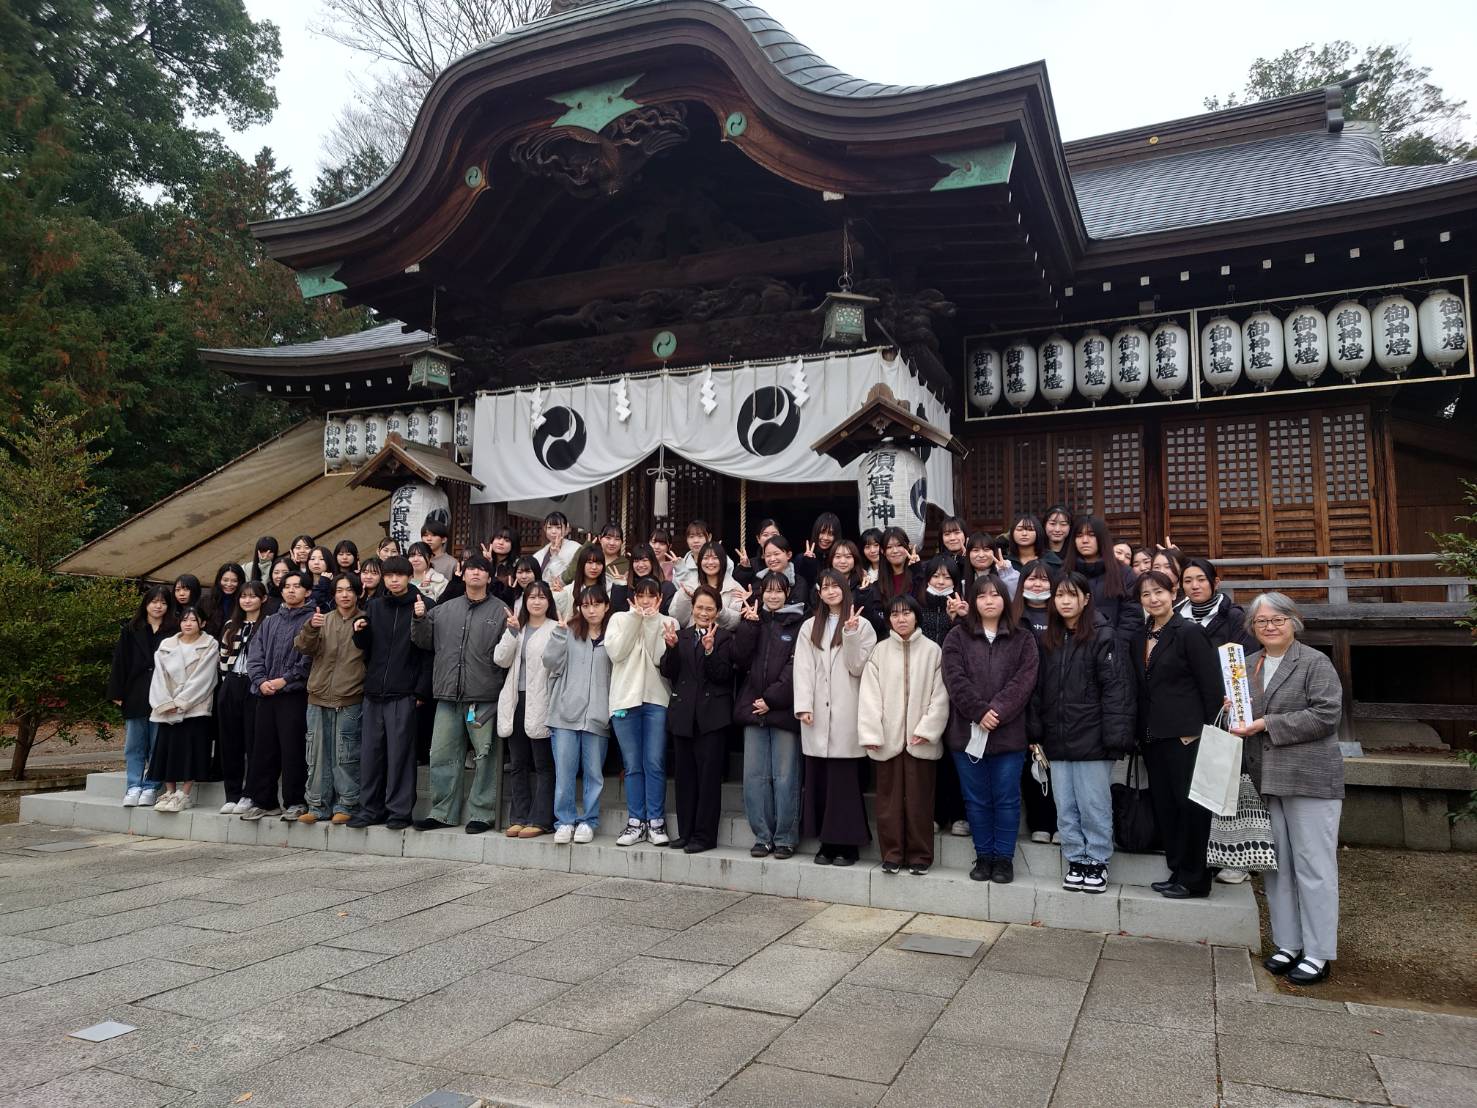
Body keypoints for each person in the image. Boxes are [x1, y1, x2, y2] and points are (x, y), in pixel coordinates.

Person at [1232, 593, 1345, 986]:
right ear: (1252, 627)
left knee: (1314, 866)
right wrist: (1234, 711)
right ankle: (1287, 943)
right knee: (1276, 865)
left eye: (1277, 619)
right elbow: (1244, 717)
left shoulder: (1314, 661)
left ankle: (1318, 952)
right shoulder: (1247, 664)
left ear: (1293, 621)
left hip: (1309, 777)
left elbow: (1327, 715)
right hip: (1265, 777)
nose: (1270, 626)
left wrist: (1266, 724)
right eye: (1261, 621)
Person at [1029, 573, 1135, 893]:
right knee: (1065, 805)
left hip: (1093, 737)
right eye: (1060, 595)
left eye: (1072, 595)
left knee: (1094, 805)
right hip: (1057, 736)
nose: (1065, 601)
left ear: (1086, 599)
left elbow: (1117, 689)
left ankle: (1098, 860)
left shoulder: (1104, 635)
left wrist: (1115, 738)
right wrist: (1035, 732)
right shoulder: (1049, 638)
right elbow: (1038, 690)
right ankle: (1075, 858)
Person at [1131, 570, 1224, 899]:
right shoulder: (1139, 635)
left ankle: (1195, 878)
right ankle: (1177, 870)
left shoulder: (1189, 632)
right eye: (1146, 594)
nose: (1153, 599)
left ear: (1173, 593)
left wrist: (1201, 731)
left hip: (1186, 735)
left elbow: (1211, 687)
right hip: (1153, 735)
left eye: (1159, 592)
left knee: (1190, 808)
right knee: (1166, 806)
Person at [941, 574, 1039, 884]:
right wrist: (979, 711)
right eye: (982, 596)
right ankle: (984, 856)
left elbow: (1024, 681)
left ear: (1005, 600)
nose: (989, 601)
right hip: (966, 733)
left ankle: (1004, 859)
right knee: (976, 799)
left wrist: (996, 711)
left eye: (995, 595)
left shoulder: (1023, 638)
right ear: (973, 602)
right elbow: (954, 678)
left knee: (1007, 798)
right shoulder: (957, 637)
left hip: (1009, 734)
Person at [409, 554, 511, 835]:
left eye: (482, 569)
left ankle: (483, 813)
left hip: (484, 696)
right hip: (447, 694)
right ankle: (442, 812)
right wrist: (419, 619)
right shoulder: (445, 609)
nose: (476, 573)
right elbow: (423, 641)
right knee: (442, 754)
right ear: (462, 575)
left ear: (489, 576)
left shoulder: (501, 611)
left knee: (485, 756)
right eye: (471, 569)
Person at [859, 595, 951, 875]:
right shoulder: (879, 651)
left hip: (920, 740)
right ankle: (892, 855)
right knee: (888, 803)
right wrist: (872, 732)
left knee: (920, 801)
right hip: (887, 739)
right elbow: (869, 696)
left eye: (907, 613)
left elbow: (941, 695)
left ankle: (920, 856)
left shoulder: (933, 651)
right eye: (895, 614)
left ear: (916, 616)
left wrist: (927, 729)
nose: (901, 619)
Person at [793, 569, 878, 866]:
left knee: (844, 784)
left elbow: (858, 667)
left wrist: (850, 634)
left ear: (845, 588)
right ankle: (826, 843)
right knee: (819, 781)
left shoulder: (863, 625)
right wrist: (804, 705)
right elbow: (803, 668)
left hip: (847, 712)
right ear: (819, 592)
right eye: (825, 587)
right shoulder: (809, 627)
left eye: (835, 586)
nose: (830, 592)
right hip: (816, 713)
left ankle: (848, 845)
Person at [349, 555, 429, 831]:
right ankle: (370, 809)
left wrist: (421, 691)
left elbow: (428, 652)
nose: (394, 580)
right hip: (373, 691)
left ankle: (399, 811)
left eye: (399, 575)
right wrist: (359, 631)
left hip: (404, 692)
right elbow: (366, 647)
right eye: (389, 575)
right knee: (370, 755)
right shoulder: (374, 606)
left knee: (400, 756)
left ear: (410, 576)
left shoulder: (423, 605)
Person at [733, 572, 804, 858]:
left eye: (779, 591)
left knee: (786, 777)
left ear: (787, 593)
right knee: (754, 777)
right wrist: (749, 626)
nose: (773, 596)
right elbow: (739, 659)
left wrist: (772, 700)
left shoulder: (798, 624)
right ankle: (762, 836)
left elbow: (795, 668)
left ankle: (785, 837)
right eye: (768, 591)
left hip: (782, 710)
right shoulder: (753, 619)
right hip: (753, 709)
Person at [660, 584, 735, 854]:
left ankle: (704, 836)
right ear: (692, 609)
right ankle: (686, 832)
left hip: (712, 717)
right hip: (683, 716)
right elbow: (669, 671)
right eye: (700, 607)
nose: (704, 613)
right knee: (684, 778)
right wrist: (670, 649)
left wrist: (710, 651)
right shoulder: (680, 635)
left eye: (709, 609)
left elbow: (724, 675)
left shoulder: (724, 637)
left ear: (718, 611)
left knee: (708, 779)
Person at [604, 576, 677, 845]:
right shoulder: (619, 619)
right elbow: (617, 653)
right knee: (632, 765)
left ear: (659, 598)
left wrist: (651, 621)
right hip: (624, 700)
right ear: (633, 597)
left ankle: (656, 822)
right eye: (641, 595)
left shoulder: (669, 622)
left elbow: (659, 659)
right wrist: (636, 619)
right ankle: (635, 822)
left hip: (656, 700)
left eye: (651, 595)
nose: (646, 601)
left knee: (654, 762)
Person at [239, 570, 315, 821]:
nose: (291, 590)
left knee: (293, 749)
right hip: (266, 694)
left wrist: (286, 680)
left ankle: (296, 801)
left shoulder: (313, 620)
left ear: (308, 591)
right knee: (263, 749)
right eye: (287, 586)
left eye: (297, 586)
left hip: (294, 695)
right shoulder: (270, 621)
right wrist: (261, 681)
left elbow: (310, 658)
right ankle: (264, 801)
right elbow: (255, 655)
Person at [293, 571, 366, 825]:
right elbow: (303, 647)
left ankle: (347, 803)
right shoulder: (322, 619)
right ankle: (317, 805)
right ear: (333, 594)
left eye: (349, 590)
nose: (345, 595)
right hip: (318, 696)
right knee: (316, 754)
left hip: (350, 697)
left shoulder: (365, 620)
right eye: (339, 590)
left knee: (346, 754)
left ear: (359, 593)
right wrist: (310, 628)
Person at [545, 584, 613, 844]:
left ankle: (588, 821)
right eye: (586, 605)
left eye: (596, 604)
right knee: (564, 771)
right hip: (565, 714)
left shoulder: (613, 636)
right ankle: (564, 821)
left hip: (598, 716)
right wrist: (559, 634)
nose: (591, 610)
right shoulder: (570, 632)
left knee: (594, 774)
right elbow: (550, 662)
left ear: (606, 606)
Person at [495, 580, 558, 838]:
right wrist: (510, 633)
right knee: (518, 763)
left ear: (549, 602)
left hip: (543, 701)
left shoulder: (555, 628)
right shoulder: (516, 628)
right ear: (525, 601)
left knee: (543, 764)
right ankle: (519, 817)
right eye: (532, 597)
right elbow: (500, 659)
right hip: (516, 701)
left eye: (542, 597)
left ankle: (541, 819)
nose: (536, 601)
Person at [145, 606, 220, 812]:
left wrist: (181, 702)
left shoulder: (209, 644)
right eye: (185, 620)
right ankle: (169, 791)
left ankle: (184, 794)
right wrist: (164, 703)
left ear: (202, 623)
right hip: (167, 707)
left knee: (190, 750)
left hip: (195, 706)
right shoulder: (166, 645)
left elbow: (205, 678)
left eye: (193, 620)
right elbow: (158, 677)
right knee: (167, 750)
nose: (188, 624)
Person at [108, 586, 176, 808]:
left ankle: (151, 786)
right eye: (154, 601)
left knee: (158, 743)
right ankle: (133, 785)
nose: (158, 606)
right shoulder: (131, 629)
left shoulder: (174, 630)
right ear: (146, 604)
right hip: (135, 691)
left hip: (163, 692)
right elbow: (120, 661)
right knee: (134, 743)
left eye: (163, 602)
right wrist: (117, 692)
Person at [1012, 560, 1059, 843]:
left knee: (1058, 764)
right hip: (1024, 699)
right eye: (1031, 579)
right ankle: (1039, 822)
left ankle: (1060, 822)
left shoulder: (1062, 614)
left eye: (1043, 579)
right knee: (1032, 762)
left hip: (1058, 698)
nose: (1037, 584)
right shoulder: (1013, 617)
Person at [216, 581, 267, 815]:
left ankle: (250, 794)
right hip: (231, 683)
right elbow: (222, 657)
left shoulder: (268, 623)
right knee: (230, 742)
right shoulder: (231, 624)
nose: (247, 600)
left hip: (254, 685)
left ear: (263, 599)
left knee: (254, 742)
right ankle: (232, 794)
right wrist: (227, 681)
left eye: (253, 596)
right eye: (243, 596)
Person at [1063, 515, 1141, 643]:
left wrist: (1117, 646)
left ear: (1101, 538)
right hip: (1073, 645)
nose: (1085, 540)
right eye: (1079, 535)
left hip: (1112, 646)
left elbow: (1132, 615)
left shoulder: (1124, 572)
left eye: (1091, 535)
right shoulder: (1065, 572)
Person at [1177, 557, 1256, 652]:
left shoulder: (1234, 616)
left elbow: (1246, 654)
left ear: (1216, 583)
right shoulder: (1175, 616)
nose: (1194, 586)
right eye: (1188, 581)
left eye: (1201, 579)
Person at [671, 540, 744, 629]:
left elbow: (736, 622)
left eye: (715, 558)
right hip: (694, 635)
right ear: (700, 561)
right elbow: (678, 620)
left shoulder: (734, 587)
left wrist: (719, 609)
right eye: (705, 558)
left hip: (722, 636)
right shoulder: (689, 585)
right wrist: (686, 597)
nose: (710, 562)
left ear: (723, 561)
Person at [564, 521, 628, 590]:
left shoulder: (627, 565)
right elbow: (567, 578)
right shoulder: (588, 557)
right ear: (600, 538)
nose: (612, 543)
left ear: (622, 542)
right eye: (608, 538)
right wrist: (584, 550)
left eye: (617, 539)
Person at [612, 544, 675, 614]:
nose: (640, 565)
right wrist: (620, 586)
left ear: (652, 562)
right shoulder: (627, 587)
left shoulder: (667, 587)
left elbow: (672, 614)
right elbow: (619, 613)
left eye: (645, 560)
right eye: (636, 561)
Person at [533, 511, 582, 584]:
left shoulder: (576, 549)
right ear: (545, 529)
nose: (553, 531)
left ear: (566, 529)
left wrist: (556, 556)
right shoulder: (539, 554)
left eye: (558, 527)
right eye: (549, 527)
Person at [965, 531, 1019, 596]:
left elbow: (1015, 595)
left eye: (986, 550)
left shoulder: (1006, 573)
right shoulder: (962, 578)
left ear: (994, 552)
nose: (981, 555)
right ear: (968, 554)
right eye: (976, 550)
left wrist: (1006, 573)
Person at [560, 545, 606, 620]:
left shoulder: (609, 589)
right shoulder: (568, 591)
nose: (594, 567)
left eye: (598, 563)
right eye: (590, 562)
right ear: (581, 564)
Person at [203, 563, 244, 640]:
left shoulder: (244, 602)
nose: (229, 584)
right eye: (225, 580)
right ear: (219, 580)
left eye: (234, 581)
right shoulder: (206, 600)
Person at [797, 511, 842, 580]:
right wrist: (807, 562)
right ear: (816, 532)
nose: (825, 538)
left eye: (830, 534)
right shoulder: (800, 559)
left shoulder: (840, 560)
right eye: (822, 532)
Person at [480, 526, 521, 591]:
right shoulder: (483, 561)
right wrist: (487, 563)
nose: (501, 543)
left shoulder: (518, 564)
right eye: (498, 538)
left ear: (513, 545)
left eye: (507, 540)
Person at [1041, 505, 1072, 571]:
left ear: (1070, 527)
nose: (1057, 529)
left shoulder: (1075, 552)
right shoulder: (1037, 551)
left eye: (1063, 524)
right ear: (1044, 525)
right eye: (1052, 524)